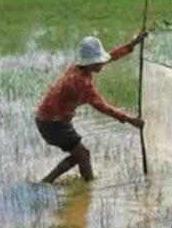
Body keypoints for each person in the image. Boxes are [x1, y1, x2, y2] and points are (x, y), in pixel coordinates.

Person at [35, 32, 148, 183]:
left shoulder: (79, 67)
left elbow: (110, 56)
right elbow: (102, 107)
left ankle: (47, 182)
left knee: (79, 155)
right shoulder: (80, 83)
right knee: (83, 155)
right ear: (89, 63)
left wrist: (133, 44)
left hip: (51, 119)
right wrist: (129, 119)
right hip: (53, 123)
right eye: (98, 62)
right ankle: (88, 185)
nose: (102, 63)